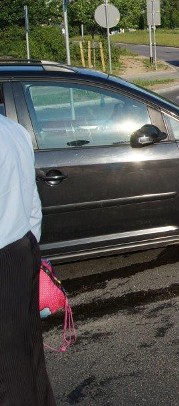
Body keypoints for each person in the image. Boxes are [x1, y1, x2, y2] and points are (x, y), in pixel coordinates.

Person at [0, 114, 55, 405]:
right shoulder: (14, 130)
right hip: (22, 249)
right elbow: (33, 205)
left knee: (7, 371)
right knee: (30, 350)